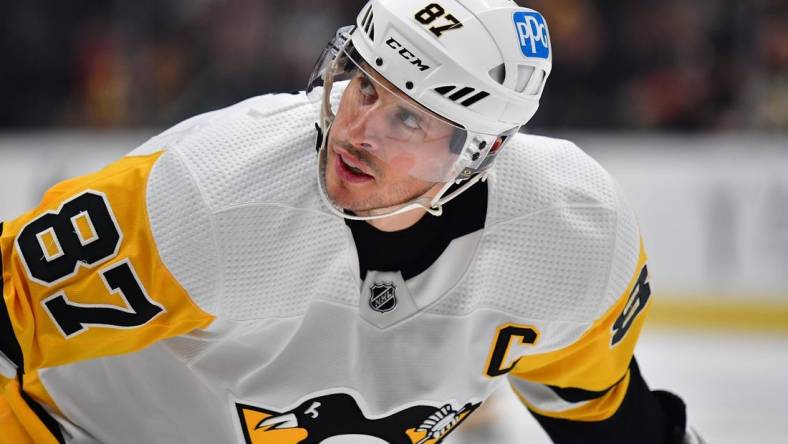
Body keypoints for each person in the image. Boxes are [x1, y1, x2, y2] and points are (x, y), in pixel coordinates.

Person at [0, 1, 704, 443]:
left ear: (480, 152)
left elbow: (607, 419)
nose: (356, 129)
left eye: (408, 118)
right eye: (365, 85)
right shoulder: (214, 191)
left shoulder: (567, 234)